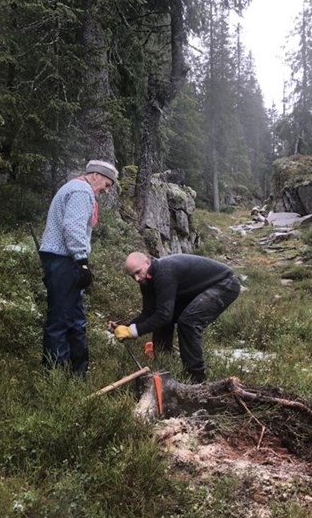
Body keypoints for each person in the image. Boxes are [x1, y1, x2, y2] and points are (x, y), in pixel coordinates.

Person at [39, 159, 118, 377]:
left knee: (74, 317)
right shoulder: (82, 191)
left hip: (62, 260)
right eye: (107, 184)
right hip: (64, 261)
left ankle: (77, 372)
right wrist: (82, 261)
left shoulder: (73, 187)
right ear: (95, 176)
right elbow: (72, 228)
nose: (106, 190)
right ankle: (56, 374)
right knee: (61, 319)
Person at [111, 251, 240, 383]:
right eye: (133, 276)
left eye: (138, 272)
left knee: (188, 322)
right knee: (163, 319)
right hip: (202, 289)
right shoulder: (147, 280)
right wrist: (125, 327)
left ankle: (197, 379)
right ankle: (165, 366)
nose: (137, 278)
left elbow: (163, 316)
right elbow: (149, 313)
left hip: (225, 284)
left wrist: (133, 331)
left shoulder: (164, 272)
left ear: (147, 262)